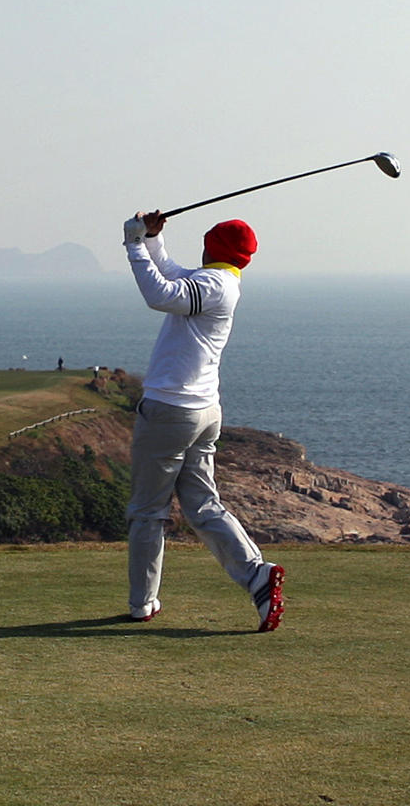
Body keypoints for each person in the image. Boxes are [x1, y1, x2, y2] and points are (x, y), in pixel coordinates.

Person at [121, 209, 284, 632]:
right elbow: (174, 274)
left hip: (170, 411)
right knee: (203, 504)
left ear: (211, 246)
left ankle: (143, 604)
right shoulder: (221, 282)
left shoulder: (210, 285)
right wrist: (153, 240)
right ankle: (256, 576)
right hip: (204, 411)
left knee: (147, 512)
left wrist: (134, 244)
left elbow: (160, 294)